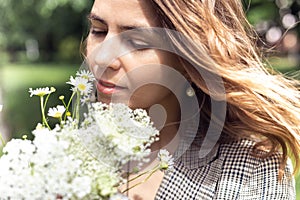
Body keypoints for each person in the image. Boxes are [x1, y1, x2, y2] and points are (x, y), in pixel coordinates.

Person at [84, 0, 300, 199]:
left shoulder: (251, 170)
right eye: (98, 31)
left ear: (190, 55)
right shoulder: (75, 147)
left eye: (136, 42)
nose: (101, 58)